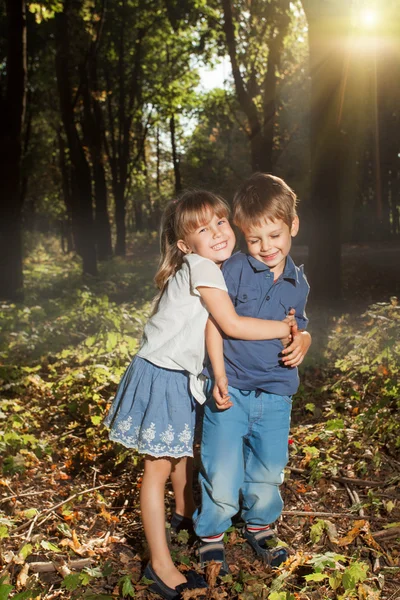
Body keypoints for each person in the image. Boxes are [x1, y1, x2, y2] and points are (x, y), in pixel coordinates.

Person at [104, 190, 294, 600]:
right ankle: (160, 565)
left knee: (181, 454)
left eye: (221, 222)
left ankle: (183, 514)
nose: (218, 233)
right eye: (202, 229)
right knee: (157, 469)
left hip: (177, 376)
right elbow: (232, 325)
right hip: (163, 376)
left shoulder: (206, 267)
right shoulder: (202, 267)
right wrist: (289, 329)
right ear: (185, 245)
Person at [194, 173, 311, 573]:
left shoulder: (299, 281)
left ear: (293, 225)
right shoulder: (236, 269)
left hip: (276, 392)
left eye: (275, 235)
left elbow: (300, 325)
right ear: (243, 236)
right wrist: (219, 375)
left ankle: (259, 526)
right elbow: (215, 322)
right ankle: (211, 534)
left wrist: (305, 340)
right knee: (222, 465)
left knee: (268, 467)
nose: (266, 248)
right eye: (254, 239)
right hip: (233, 389)